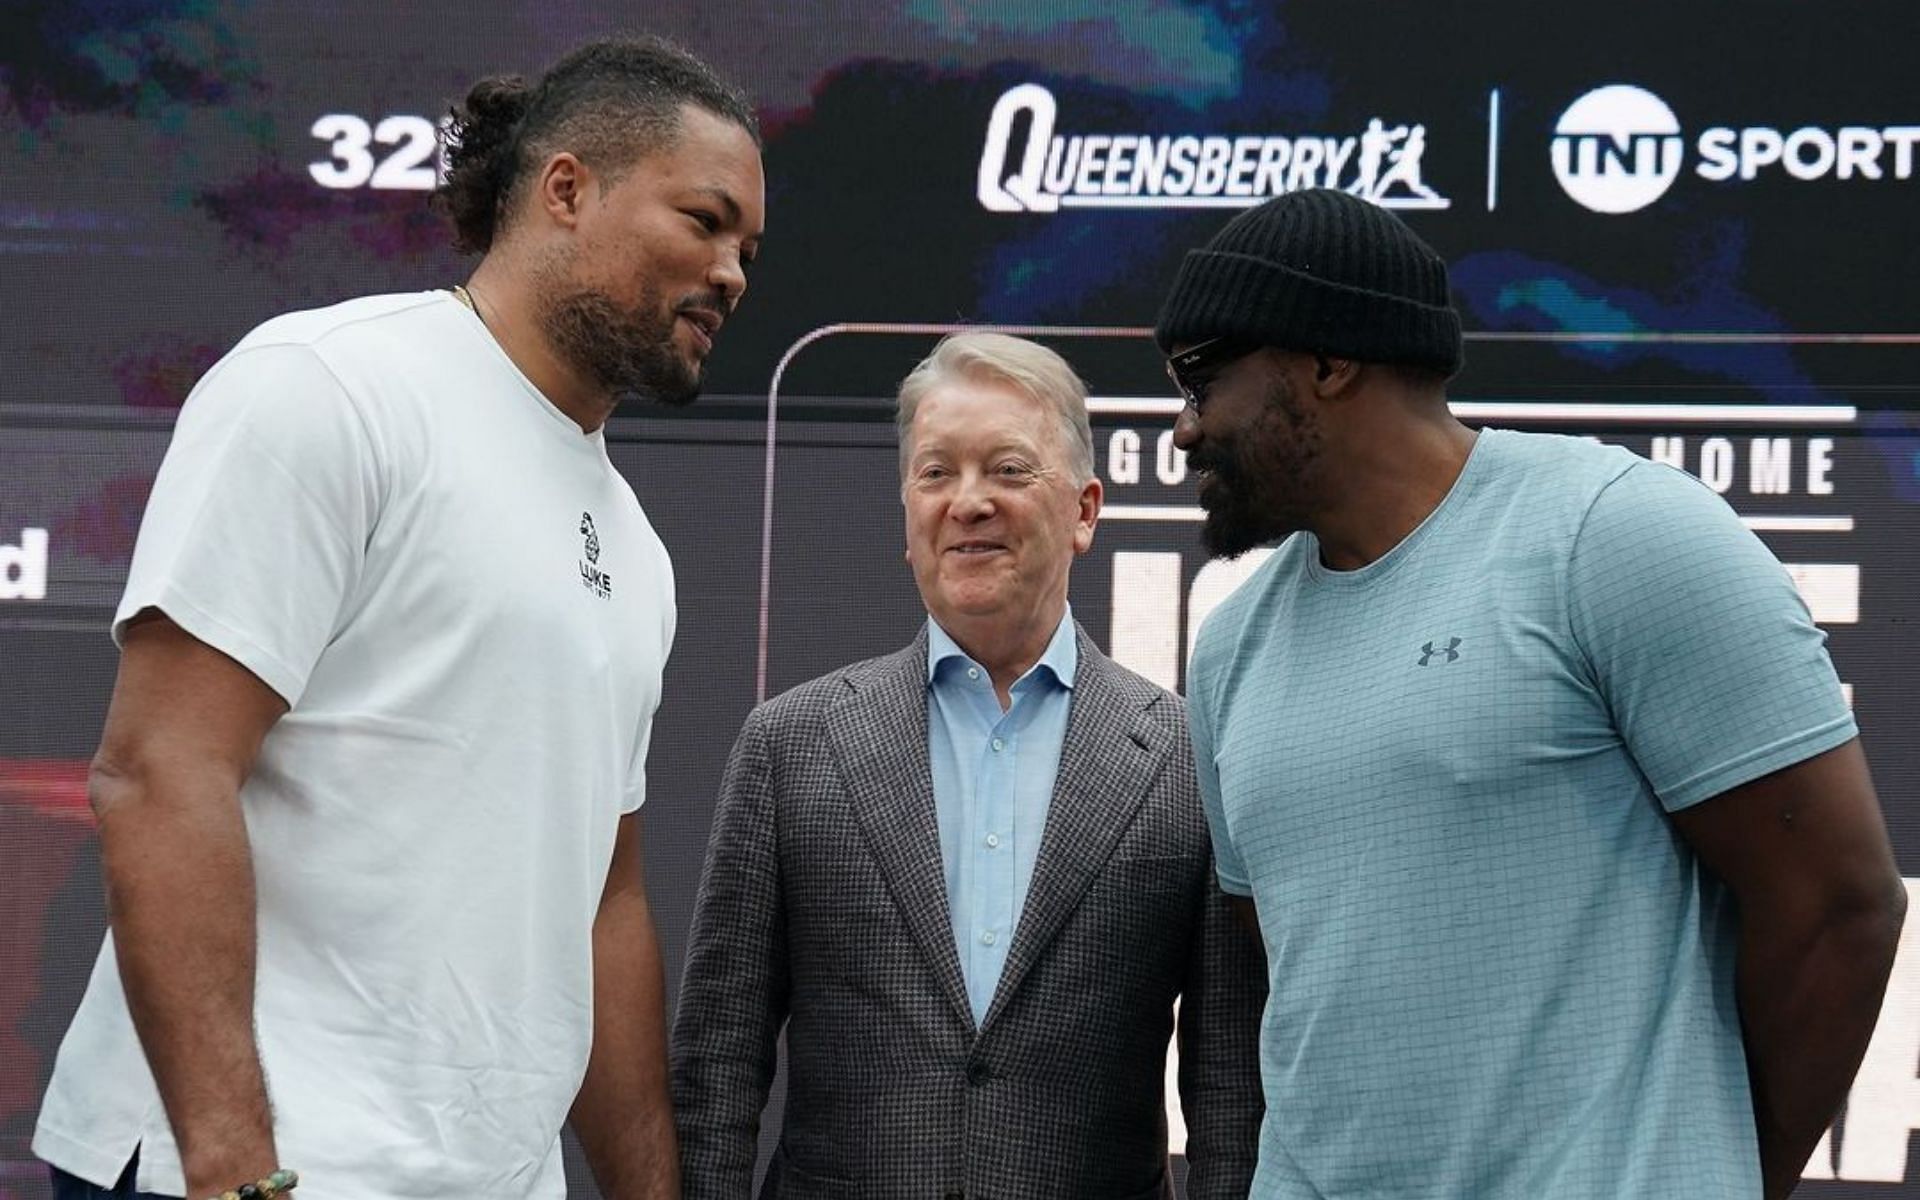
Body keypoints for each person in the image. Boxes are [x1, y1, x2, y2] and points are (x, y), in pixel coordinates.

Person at [33, 35, 765, 1200]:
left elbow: (605, 902)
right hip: (239, 1173)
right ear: (566, 191)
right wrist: (238, 1176)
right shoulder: (330, 389)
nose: (732, 271)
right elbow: (161, 772)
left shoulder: (636, 545)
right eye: (705, 220)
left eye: (748, 247)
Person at [1155, 186, 1907, 1199]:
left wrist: (1716, 1175)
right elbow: (1293, 983)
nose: (1183, 430)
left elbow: (1839, 909)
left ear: (1325, 362)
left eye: (1199, 379)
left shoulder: (1614, 537)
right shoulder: (1229, 645)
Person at [670, 332, 1264, 1199]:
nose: (968, 502)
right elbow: (716, 1069)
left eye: (1010, 470)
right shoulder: (790, 747)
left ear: (1086, 511)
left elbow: (1225, 1096)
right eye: (936, 472)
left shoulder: (1184, 758)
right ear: (907, 515)